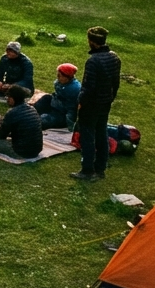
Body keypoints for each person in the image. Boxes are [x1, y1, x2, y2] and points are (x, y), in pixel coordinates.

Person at [72, 26, 121, 182]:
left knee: (87, 136)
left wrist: (81, 102)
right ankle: (100, 168)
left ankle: (87, 170)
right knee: (101, 133)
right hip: (105, 103)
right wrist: (110, 98)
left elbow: (88, 87)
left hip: (91, 104)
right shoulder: (114, 57)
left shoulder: (93, 61)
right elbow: (116, 83)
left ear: (92, 42)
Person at [0, 85, 43, 158]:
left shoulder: (12, 112)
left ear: (12, 99)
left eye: (8, 97)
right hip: (36, 150)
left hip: (21, 152)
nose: (7, 100)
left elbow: (0, 135)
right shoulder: (32, 109)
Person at [34, 63, 81, 129]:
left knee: (44, 119)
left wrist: (70, 124)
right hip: (56, 104)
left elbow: (72, 110)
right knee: (46, 98)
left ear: (67, 78)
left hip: (63, 113)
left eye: (59, 76)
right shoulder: (60, 82)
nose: (57, 78)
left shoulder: (73, 89)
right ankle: (31, 113)